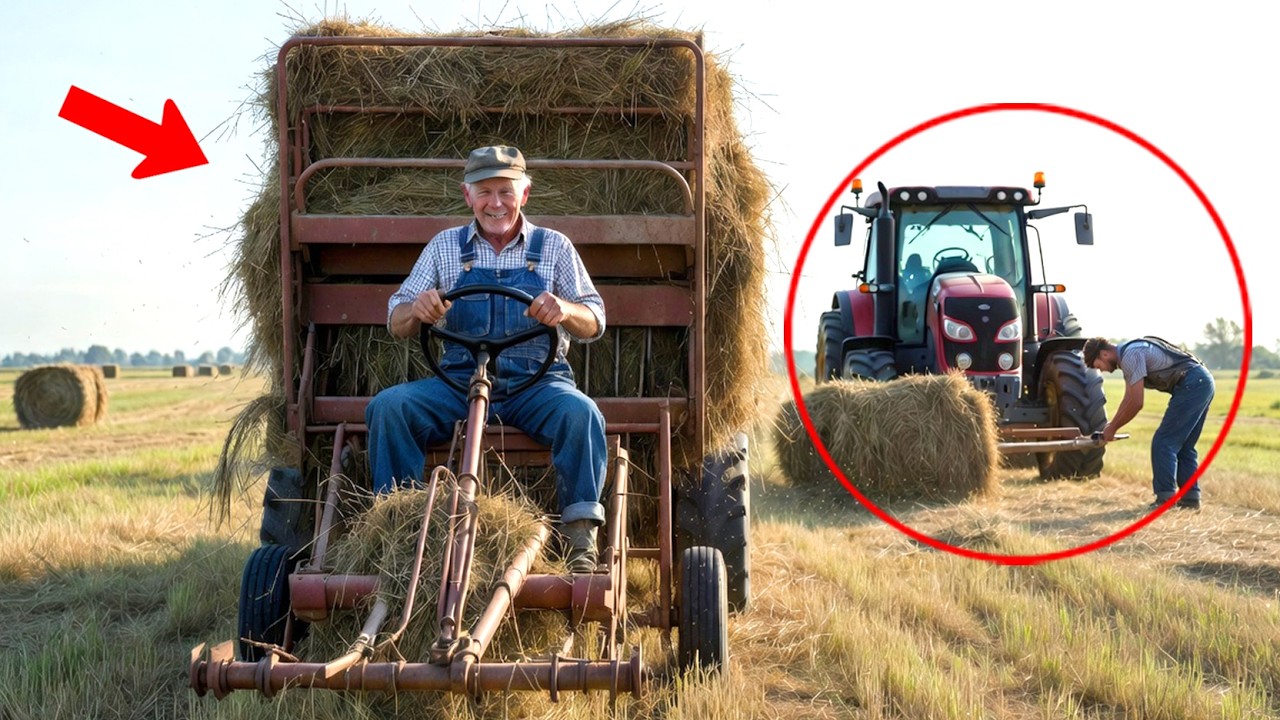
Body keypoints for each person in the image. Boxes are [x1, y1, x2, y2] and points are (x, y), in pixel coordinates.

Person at [365, 145, 608, 572]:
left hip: (537, 385)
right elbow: (396, 319)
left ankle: (580, 542)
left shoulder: (554, 247)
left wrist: (565, 310)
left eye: (506, 191)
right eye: (485, 192)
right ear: (468, 196)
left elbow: (595, 319)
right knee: (389, 408)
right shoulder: (445, 247)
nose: (496, 203)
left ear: (525, 194)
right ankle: (400, 535)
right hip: (458, 382)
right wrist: (417, 309)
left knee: (582, 414)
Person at [1083, 336, 1215, 511]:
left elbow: (1136, 402)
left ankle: (1165, 499)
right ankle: (1190, 499)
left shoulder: (1131, 356)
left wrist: (1112, 428)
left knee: (1163, 442)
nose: (1103, 371)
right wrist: (1111, 426)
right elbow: (1129, 398)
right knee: (1184, 446)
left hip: (1192, 383)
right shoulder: (1130, 354)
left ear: (1104, 354)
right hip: (1202, 381)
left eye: (1099, 366)